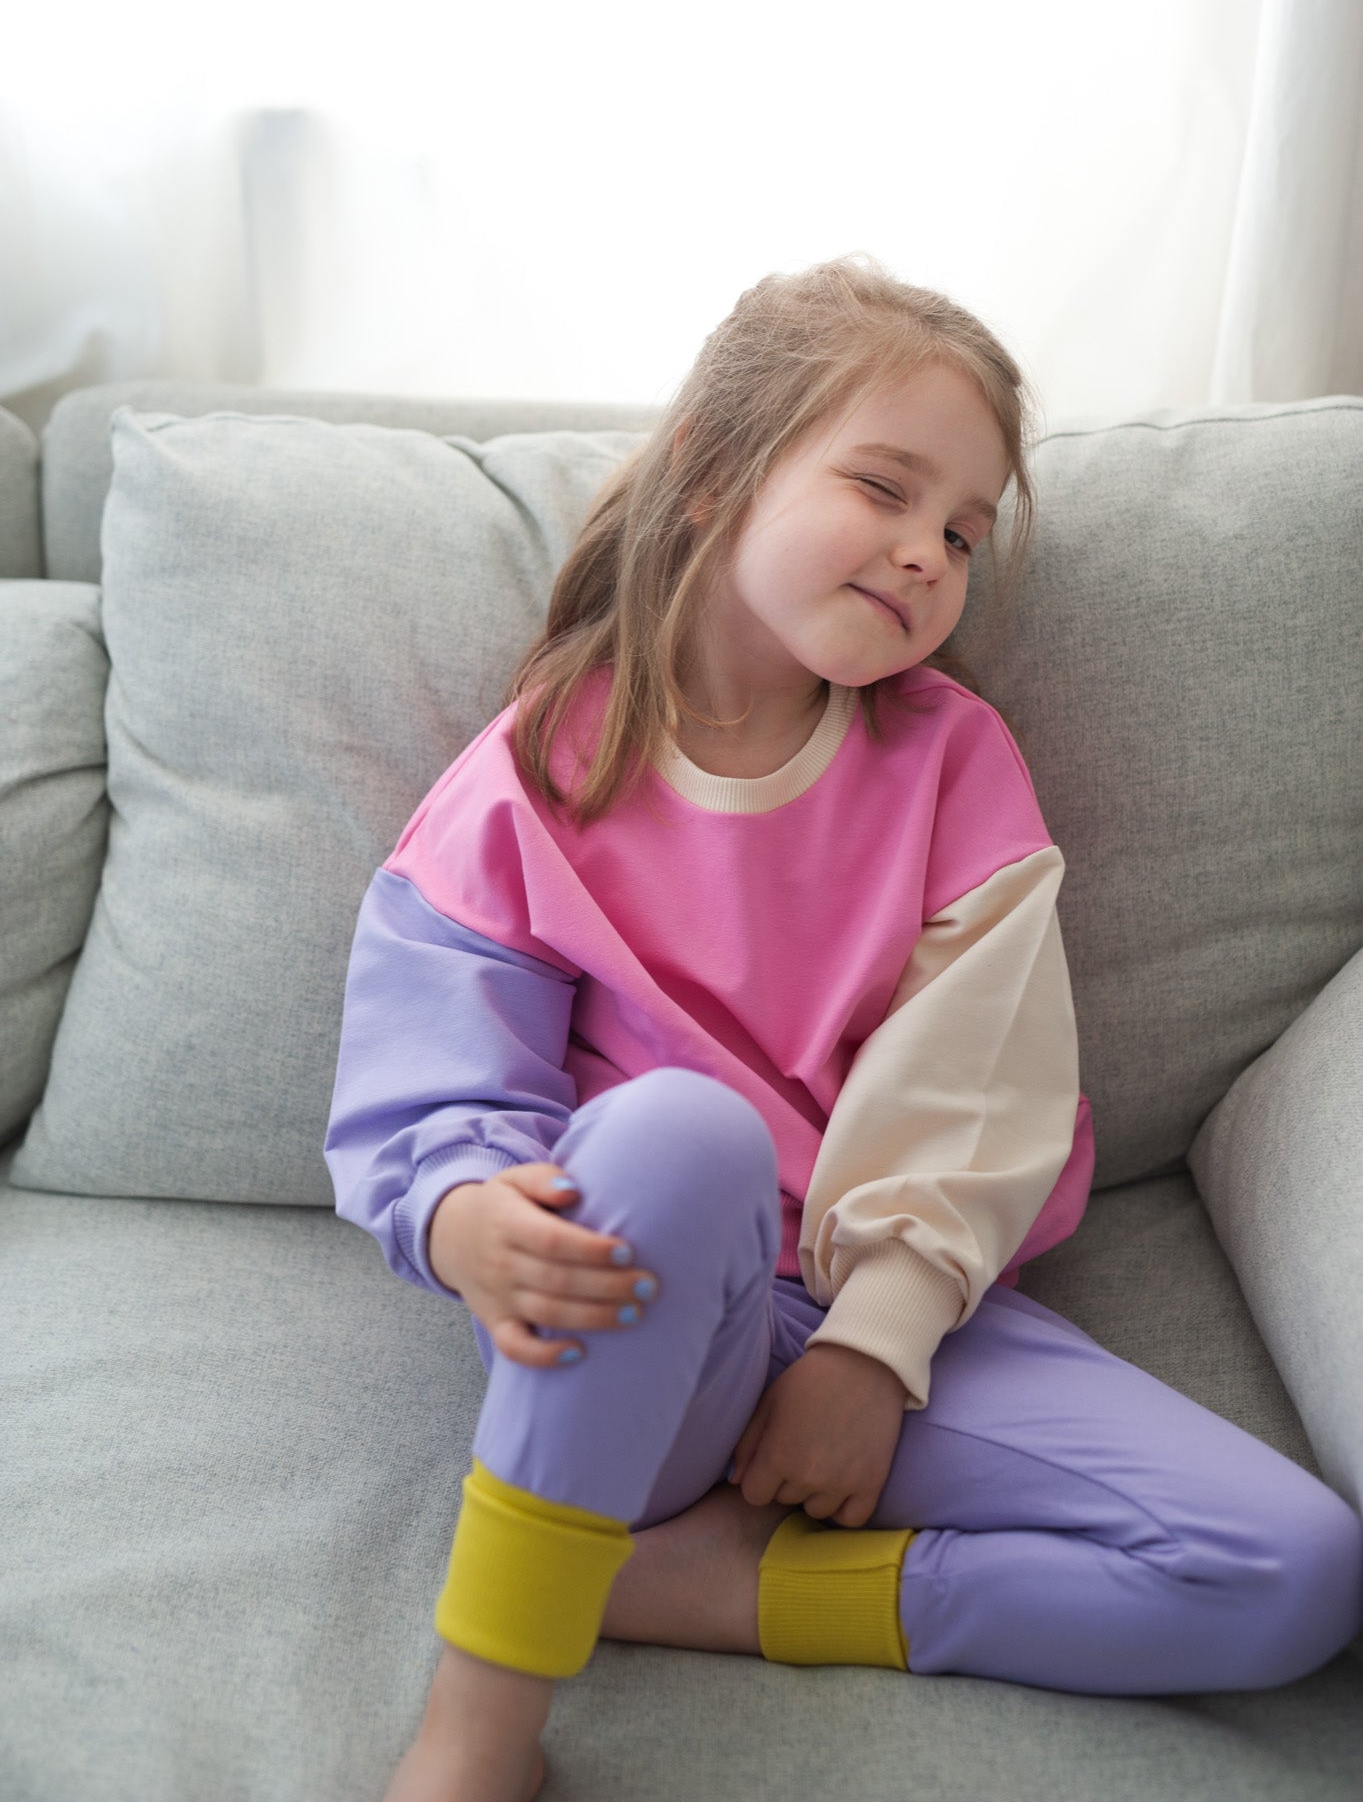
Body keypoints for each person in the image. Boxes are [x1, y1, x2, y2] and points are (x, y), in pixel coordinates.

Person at [324, 255, 1363, 1802]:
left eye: (961, 530)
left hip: (900, 1311)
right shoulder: (548, 762)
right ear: (713, 475)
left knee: (1294, 1569)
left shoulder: (954, 762)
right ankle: (480, 1735)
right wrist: (464, 1211)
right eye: (884, 487)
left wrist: (872, 1355)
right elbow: (431, 1075)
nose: (927, 553)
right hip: (645, 1323)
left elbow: (985, 1086)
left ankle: (680, 1589)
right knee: (685, 1131)